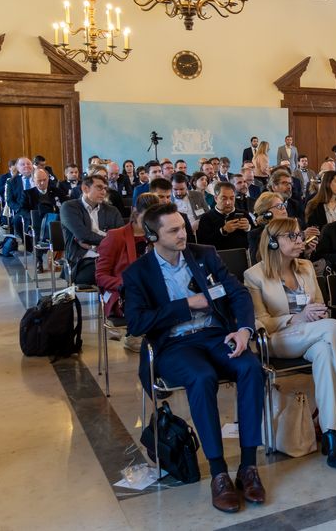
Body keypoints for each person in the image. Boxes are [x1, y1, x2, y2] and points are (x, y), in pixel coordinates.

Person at [123, 203, 265, 513]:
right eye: (172, 230)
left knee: (251, 367)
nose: (181, 234)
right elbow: (136, 323)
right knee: (202, 377)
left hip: (216, 335)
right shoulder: (138, 273)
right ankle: (218, 472)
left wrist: (243, 330)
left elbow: (238, 293)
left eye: (182, 227)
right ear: (152, 236)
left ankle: (248, 466)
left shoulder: (205, 254)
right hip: (174, 345)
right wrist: (186, 304)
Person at [244, 218, 336, 468]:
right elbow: (261, 322)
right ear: (273, 242)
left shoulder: (304, 266)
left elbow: (320, 304)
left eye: (299, 235)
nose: (299, 240)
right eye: (291, 236)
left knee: (326, 353)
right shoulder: (254, 275)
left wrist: (318, 315)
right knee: (335, 327)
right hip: (278, 340)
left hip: (316, 333)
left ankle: (331, 435)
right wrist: (297, 318)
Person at [96, 193, 160, 353]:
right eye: (147, 217)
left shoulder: (156, 236)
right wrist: (125, 284)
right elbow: (100, 275)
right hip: (122, 293)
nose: (151, 222)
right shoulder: (116, 236)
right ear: (136, 213)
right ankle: (136, 334)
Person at [59, 175, 124, 286]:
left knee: (131, 271)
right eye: (99, 188)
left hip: (110, 257)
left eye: (105, 189)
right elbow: (83, 235)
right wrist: (109, 240)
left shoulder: (112, 210)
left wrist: (95, 245)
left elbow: (121, 237)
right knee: (116, 274)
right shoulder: (69, 207)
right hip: (82, 261)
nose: (103, 192)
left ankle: (114, 302)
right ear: (85, 188)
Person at [21, 168, 66, 272]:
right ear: (33, 180)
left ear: (48, 179)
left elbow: (66, 205)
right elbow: (22, 210)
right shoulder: (28, 193)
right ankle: (38, 260)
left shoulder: (56, 191)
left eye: (44, 180)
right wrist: (32, 217)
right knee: (37, 232)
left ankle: (59, 258)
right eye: (39, 180)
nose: (42, 183)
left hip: (55, 221)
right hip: (37, 223)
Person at [197, 182, 253, 251]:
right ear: (216, 198)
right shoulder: (206, 218)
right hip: (217, 257)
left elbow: (256, 237)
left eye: (232, 198)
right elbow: (202, 244)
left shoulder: (244, 214)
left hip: (244, 256)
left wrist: (248, 228)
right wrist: (223, 231)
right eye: (224, 198)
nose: (228, 202)